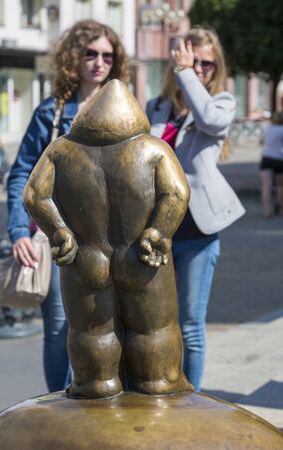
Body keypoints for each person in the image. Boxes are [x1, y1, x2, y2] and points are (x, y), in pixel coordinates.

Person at [7, 19, 129, 392]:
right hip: (60, 242)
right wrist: (17, 231)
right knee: (62, 331)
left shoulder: (127, 112)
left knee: (112, 330)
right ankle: (60, 414)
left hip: (115, 244)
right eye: (90, 53)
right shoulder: (53, 112)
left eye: (107, 55)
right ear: (73, 58)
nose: (99, 62)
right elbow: (21, 175)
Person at [146, 27, 245, 391]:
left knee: (190, 324)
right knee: (157, 319)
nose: (199, 68)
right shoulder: (157, 106)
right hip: (158, 230)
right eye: (191, 61)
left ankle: (194, 400)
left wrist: (187, 76)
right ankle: (162, 384)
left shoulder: (221, 101)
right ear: (174, 60)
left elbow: (209, 121)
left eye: (206, 63)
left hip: (198, 231)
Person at [260, 112, 283, 218]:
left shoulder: (266, 128)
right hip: (279, 158)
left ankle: (266, 211)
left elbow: (261, 142)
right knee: (280, 186)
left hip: (266, 158)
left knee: (266, 186)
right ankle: (281, 210)